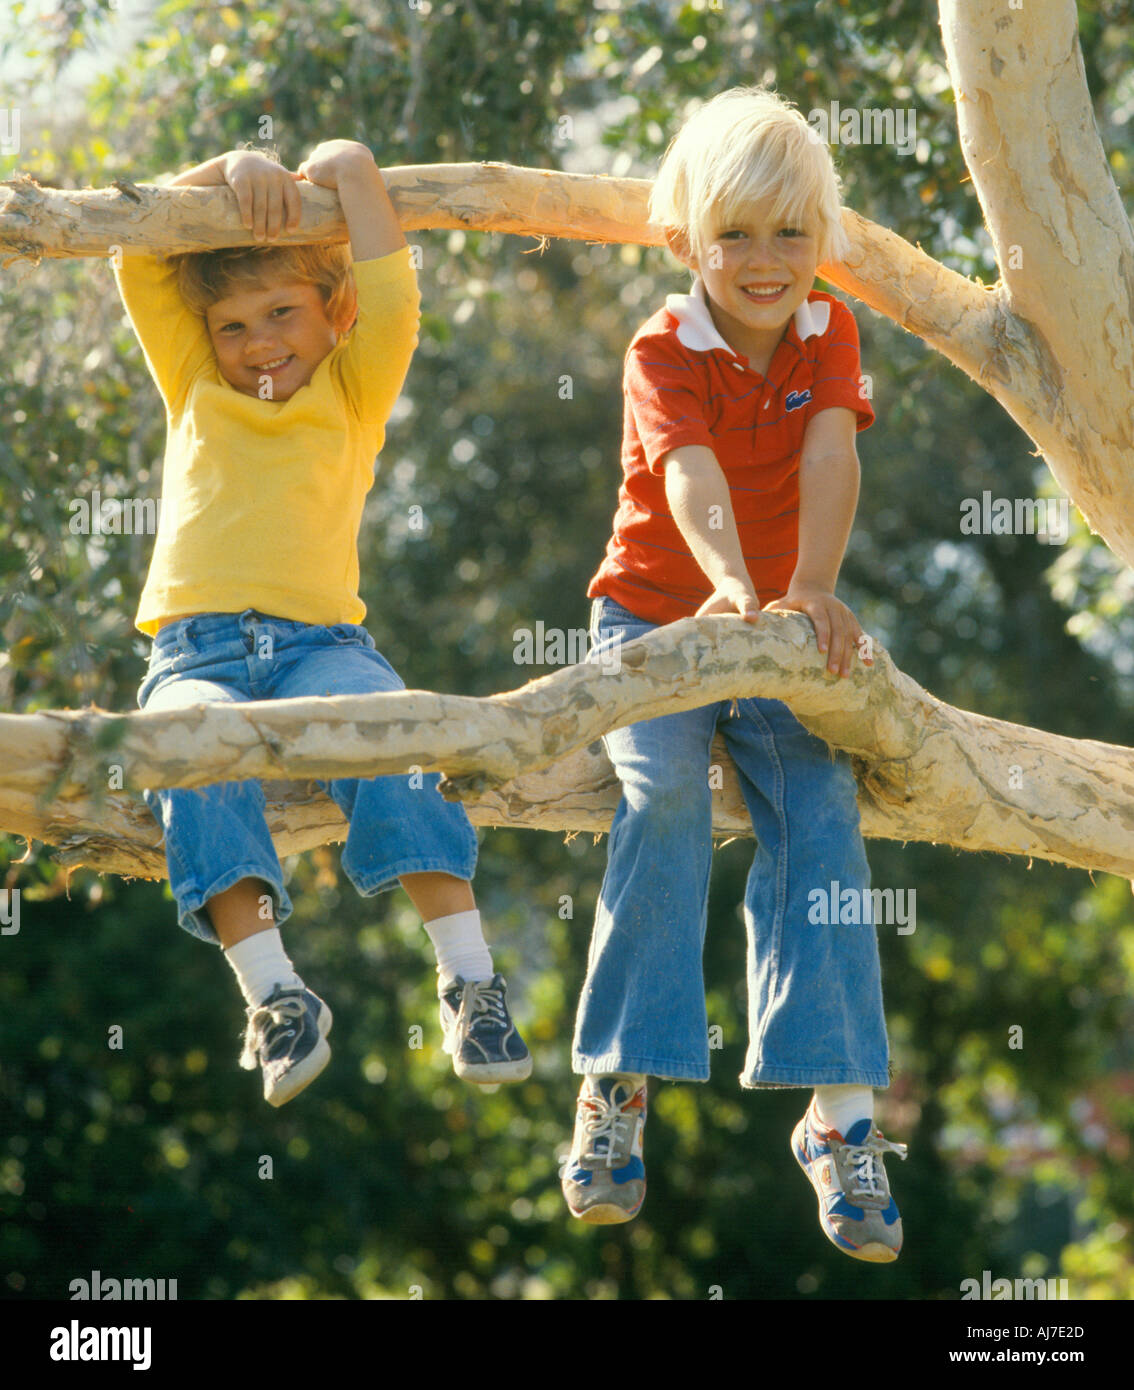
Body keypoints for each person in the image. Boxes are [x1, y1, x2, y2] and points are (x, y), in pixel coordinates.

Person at [562, 88, 908, 1261]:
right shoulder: (664, 348)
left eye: (791, 234)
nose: (767, 262)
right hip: (661, 613)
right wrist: (727, 586)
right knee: (660, 799)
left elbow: (830, 456)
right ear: (685, 245)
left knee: (819, 813)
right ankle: (617, 1085)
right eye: (737, 235)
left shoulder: (831, 331)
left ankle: (841, 1116)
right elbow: (689, 479)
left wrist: (805, 592)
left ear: (824, 238)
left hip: (775, 620)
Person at [113, 140, 530, 1106]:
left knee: (396, 741)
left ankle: (469, 981)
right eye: (233, 325)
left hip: (321, 653)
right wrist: (228, 166)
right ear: (202, 335)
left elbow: (394, 291)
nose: (259, 342)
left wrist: (347, 163)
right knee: (187, 751)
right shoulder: (196, 387)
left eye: (282, 314)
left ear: (333, 315)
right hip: (195, 657)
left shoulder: (353, 390)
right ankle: (276, 998)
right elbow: (137, 253)